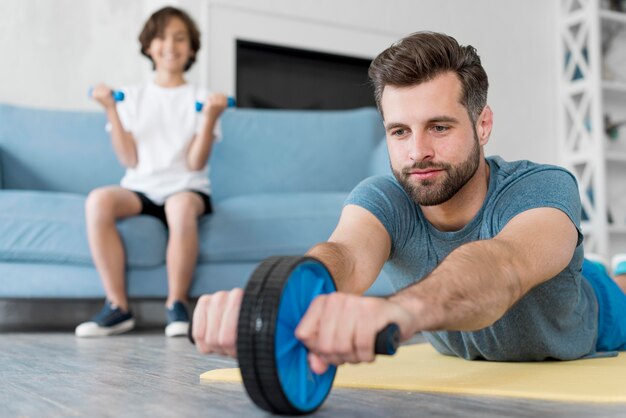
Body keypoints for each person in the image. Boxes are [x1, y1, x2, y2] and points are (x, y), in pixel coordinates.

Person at [190, 31, 626, 372]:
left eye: (439, 127)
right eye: (400, 131)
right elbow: (344, 254)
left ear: (483, 124)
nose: (417, 152)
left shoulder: (544, 186)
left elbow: (505, 265)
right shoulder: (384, 197)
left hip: (590, 317)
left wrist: (398, 310)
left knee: (613, 284)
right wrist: (273, 305)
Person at [75, 6, 228, 338]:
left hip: (186, 187)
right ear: (148, 46)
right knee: (98, 201)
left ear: (191, 49)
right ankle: (117, 307)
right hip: (141, 188)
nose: (170, 45)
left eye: (179, 38)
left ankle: (177, 304)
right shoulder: (131, 97)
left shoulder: (202, 99)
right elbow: (128, 158)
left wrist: (211, 118)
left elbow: (195, 164)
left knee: (180, 206)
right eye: (161, 37)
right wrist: (111, 110)